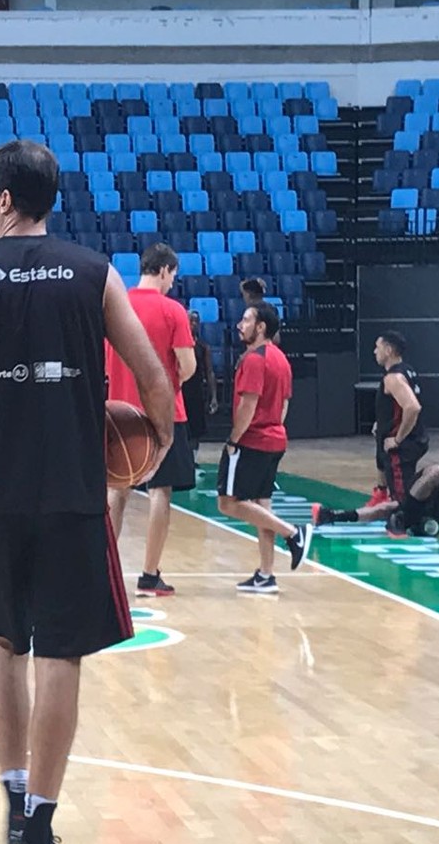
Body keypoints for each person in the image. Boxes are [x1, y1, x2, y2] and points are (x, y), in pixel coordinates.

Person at [0, 139, 174, 844]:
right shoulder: (94, 273)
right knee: (60, 653)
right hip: (70, 490)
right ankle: (39, 834)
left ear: (2, 197)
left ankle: (13, 803)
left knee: (4, 644)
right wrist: (155, 446)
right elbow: (152, 376)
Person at [105, 243, 197, 597]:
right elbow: (187, 366)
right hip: (163, 413)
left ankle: (105, 572)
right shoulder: (172, 310)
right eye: (173, 274)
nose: (173, 282)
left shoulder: (116, 306)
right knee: (161, 491)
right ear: (163, 270)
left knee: (117, 491)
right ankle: (149, 573)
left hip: (119, 413)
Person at [216, 302, 311, 593]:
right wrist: (274, 429)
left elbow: (248, 404)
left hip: (252, 440)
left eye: (246, 320)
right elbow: (283, 404)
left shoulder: (254, 360)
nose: (239, 325)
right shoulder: (281, 359)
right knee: (261, 505)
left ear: (260, 327)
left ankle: (293, 533)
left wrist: (234, 439)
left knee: (228, 502)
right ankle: (266, 574)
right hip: (274, 439)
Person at [313, 446, 439, 539]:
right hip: (431, 488)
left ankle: (331, 515)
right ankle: (402, 517)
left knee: (387, 509)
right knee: (438, 471)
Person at [361, 330, 427, 510]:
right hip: (405, 440)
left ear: (388, 350)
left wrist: (398, 438)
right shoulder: (407, 371)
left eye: (377, 347)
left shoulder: (394, 378)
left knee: (401, 497)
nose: (375, 351)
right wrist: (381, 423)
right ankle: (381, 495)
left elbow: (413, 407)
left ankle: (404, 524)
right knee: (387, 471)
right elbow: (394, 407)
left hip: (403, 446)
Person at [181, 309, 218, 466]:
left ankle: (193, 460)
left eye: (196, 321)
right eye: (190, 320)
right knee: (181, 428)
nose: (193, 324)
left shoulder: (203, 347)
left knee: (196, 429)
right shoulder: (178, 345)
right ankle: (181, 459)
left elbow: (209, 372)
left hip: (196, 392)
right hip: (180, 391)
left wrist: (214, 396)